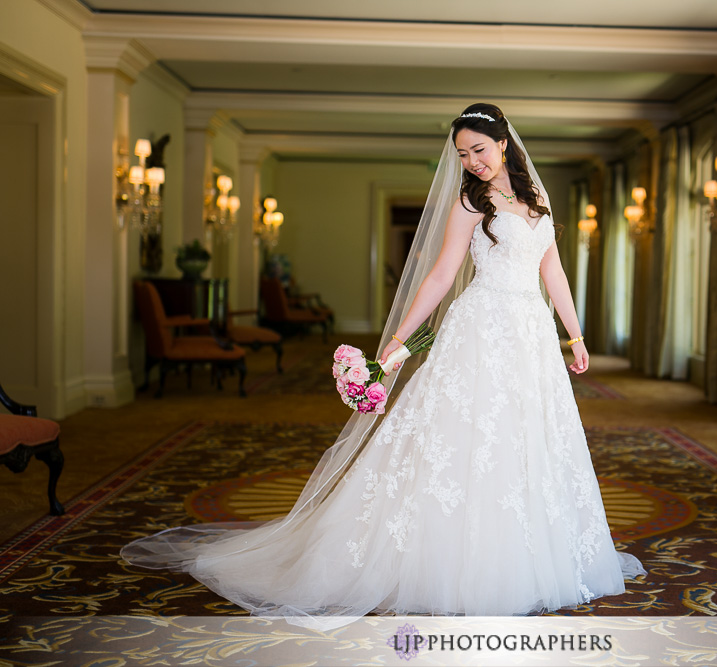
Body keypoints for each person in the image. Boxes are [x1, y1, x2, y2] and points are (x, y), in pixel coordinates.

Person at [121, 103, 646, 623]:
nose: (472, 161)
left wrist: (573, 335)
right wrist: (397, 341)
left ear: (504, 143)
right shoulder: (470, 200)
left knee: (527, 438)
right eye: (463, 154)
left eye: (479, 150)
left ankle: (531, 557)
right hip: (482, 326)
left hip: (530, 334)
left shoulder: (537, 196)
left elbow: (551, 268)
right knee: (465, 438)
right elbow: (442, 275)